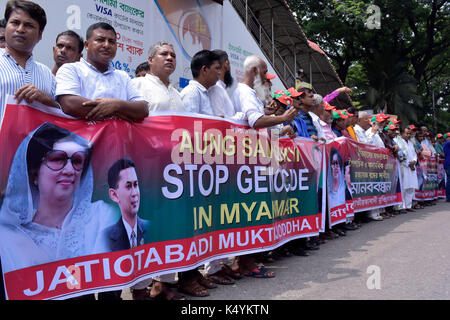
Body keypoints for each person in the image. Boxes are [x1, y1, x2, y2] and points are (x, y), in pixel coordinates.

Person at [0, 123, 116, 273]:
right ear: (35, 172)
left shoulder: (102, 218)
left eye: (76, 161)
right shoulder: (8, 235)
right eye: (57, 159)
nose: (69, 170)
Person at [55, 22, 148, 121]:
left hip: (119, 136)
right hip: (82, 136)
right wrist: (121, 112)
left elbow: (143, 109)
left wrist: (117, 105)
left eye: (111, 41)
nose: (106, 45)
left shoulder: (122, 76)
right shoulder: (71, 69)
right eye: (100, 40)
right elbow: (70, 104)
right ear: (86, 45)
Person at [0, 0, 59, 122]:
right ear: (5, 28)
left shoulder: (47, 75)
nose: (20, 29)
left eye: (28, 25)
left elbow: (60, 118)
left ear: (40, 35)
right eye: (15, 23)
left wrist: (48, 101)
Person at [232, 55, 296, 129]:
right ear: (254, 70)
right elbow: (256, 121)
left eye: (283, 106)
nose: (265, 77)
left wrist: (283, 131)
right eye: (264, 73)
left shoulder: (250, 94)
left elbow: (270, 134)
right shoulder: (245, 92)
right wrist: (283, 118)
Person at [132, 41, 184, 112]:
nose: (170, 58)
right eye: (164, 54)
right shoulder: (137, 84)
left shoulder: (177, 94)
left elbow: (193, 122)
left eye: (173, 56)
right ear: (150, 60)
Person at [180, 50, 220, 116]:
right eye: (217, 68)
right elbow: (191, 123)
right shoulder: (192, 93)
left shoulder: (203, 93)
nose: (219, 72)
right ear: (204, 70)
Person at [395, 127, 419, 212]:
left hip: (412, 167)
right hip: (404, 166)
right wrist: (409, 164)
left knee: (411, 187)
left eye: (409, 133)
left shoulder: (410, 143)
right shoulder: (399, 142)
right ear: (402, 134)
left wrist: (414, 162)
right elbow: (401, 155)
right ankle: (402, 206)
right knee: (404, 187)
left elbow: (414, 154)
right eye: (407, 133)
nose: (409, 135)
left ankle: (409, 205)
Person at [208, 49, 235, 118]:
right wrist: (239, 117)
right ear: (226, 64)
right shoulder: (216, 88)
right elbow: (219, 118)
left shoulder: (220, 87)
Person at [443, 133, 450, 202]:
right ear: (446, 138)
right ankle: (448, 197)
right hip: (448, 164)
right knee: (449, 181)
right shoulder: (447, 143)